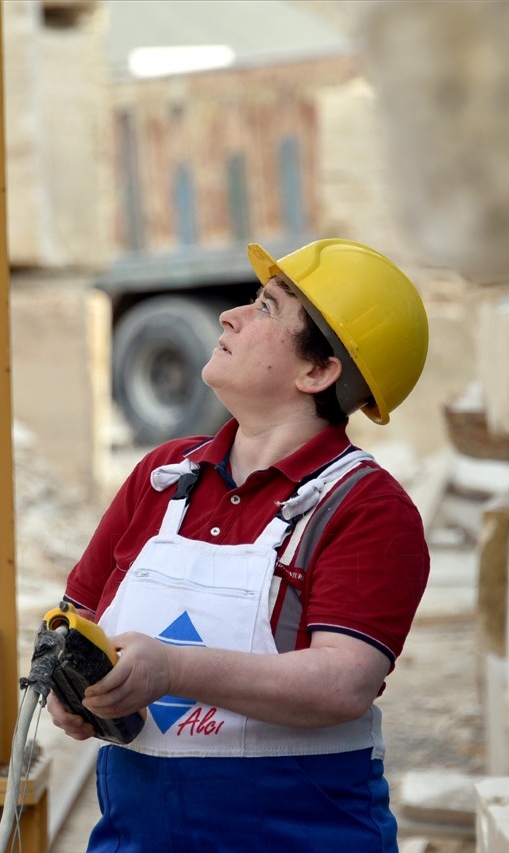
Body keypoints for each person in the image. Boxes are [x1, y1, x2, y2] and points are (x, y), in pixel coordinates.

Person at [47, 238, 431, 852]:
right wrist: (72, 691)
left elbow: (343, 682)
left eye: (267, 308)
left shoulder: (367, 509)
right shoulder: (162, 475)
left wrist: (171, 668)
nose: (230, 316)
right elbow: (77, 620)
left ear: (318, 371)